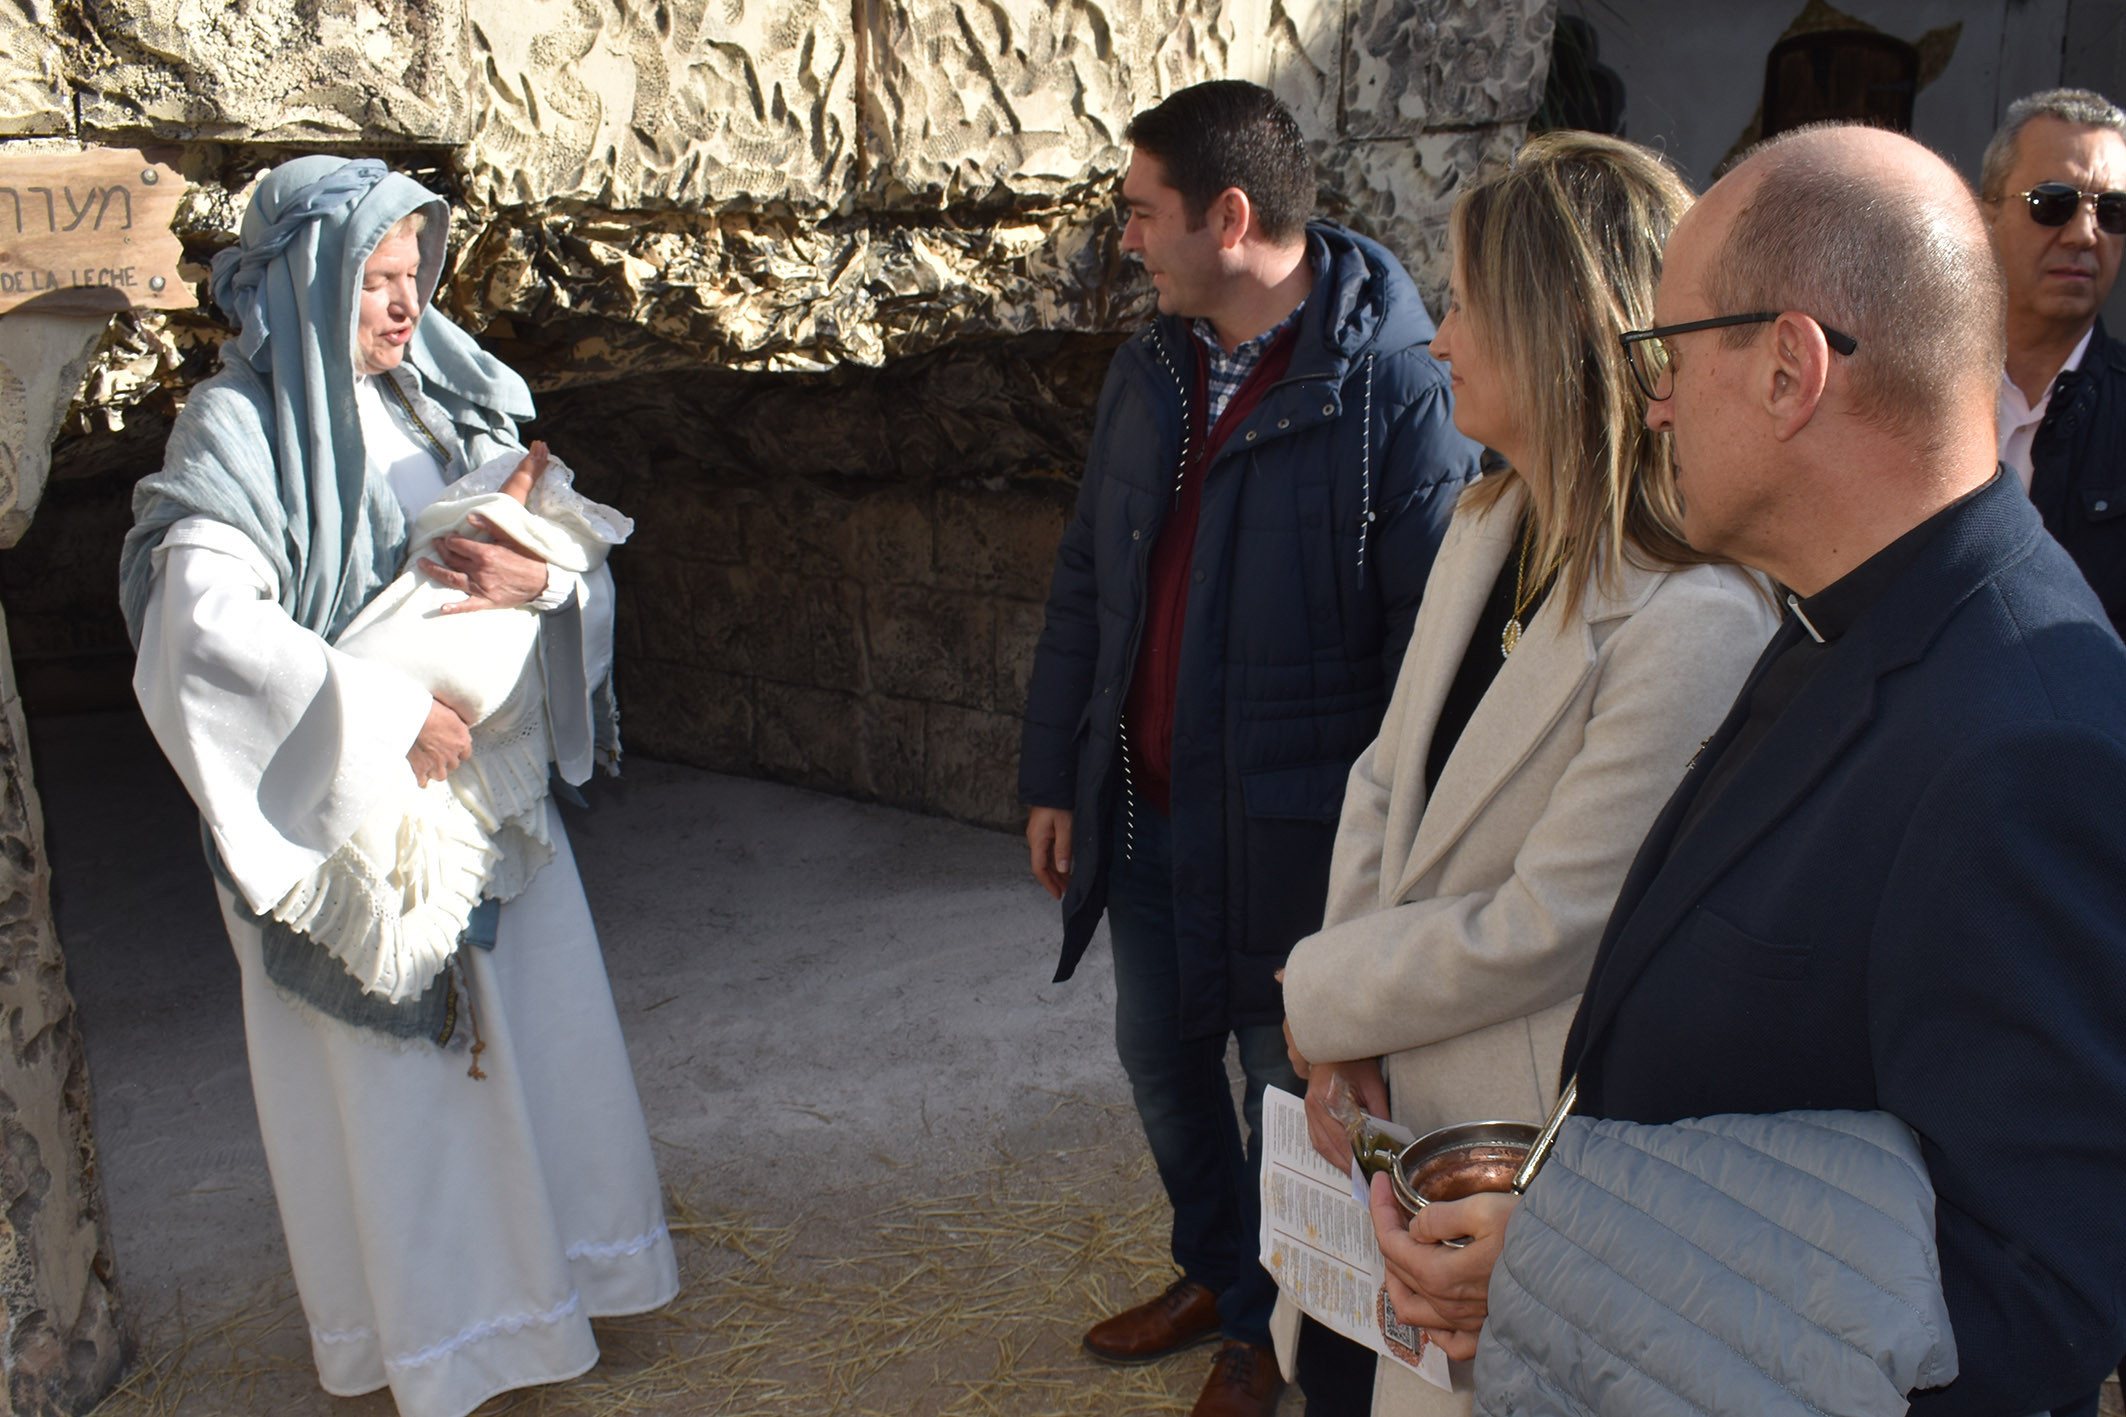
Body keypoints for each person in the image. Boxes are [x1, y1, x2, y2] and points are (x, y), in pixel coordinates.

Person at [1366, 123, 2126, 1415]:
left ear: (1787, 370)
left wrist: (1562, 1267)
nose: (1649, 399)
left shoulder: (2024, 739)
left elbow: (2020, 1301)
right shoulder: (1850, 612)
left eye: (1665, 351)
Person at [120, 157, 677, 1417]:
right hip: (360, 826)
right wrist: (384, 716)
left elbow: (558, 555)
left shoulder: (444, 404)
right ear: (306, 284)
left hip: (488, 802)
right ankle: (445, 1345)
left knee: (533, 1050)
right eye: (373, 283)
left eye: (412, 280)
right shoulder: (238, 428)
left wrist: (542, 584)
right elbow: (198, 628)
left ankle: (551, 1303)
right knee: (403, 1102)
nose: (401, 308)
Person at [1274, 131, 1777, 1415]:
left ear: (1559, 330)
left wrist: (1329, 997)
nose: (1434, 338)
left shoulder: (1697, 617)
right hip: (1384, 1105)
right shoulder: (1490, 515)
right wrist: (1339, 1046)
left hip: (1509, 1161)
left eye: (1462, 305)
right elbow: (1385, 778)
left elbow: (1554, 923)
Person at [1018, 80, 1482, 1417]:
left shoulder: (1390, 385)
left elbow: (1425, 652)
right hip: (1150, 813)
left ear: (1228, 216)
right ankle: (1221, 1276)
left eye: (1139, 211)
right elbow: (1085, 580)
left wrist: (1386, 868)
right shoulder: (1151, 362)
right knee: (1160, 1065)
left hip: (1301, 840)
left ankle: (1288, 1334)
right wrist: (1055, 771)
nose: (1125, 239)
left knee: (1298, 1100)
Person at [1981, 88, 2126, 635]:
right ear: (1986, 211)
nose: (2085, 234)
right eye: (2054, 202)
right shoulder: (1908, 395)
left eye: (2112, 210)